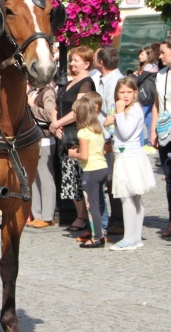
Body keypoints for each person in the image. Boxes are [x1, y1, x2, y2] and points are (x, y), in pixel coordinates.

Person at [105, 77, 156, 250]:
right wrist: (108, 122)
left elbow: (126, 133)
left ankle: (129, 237)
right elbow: (116, 131)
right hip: (125, 156)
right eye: (122, 92)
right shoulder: (125, 110)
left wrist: (119, 113)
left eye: (129, 92)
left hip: (130, 158)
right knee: (133, 198)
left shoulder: (134, 110)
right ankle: (134, 237)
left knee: (128, 197)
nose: (125, 96)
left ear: (135, 93)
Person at [50, 46, 95, 231]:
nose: (72, 63)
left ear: (86, 63)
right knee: (69, 176)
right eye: (71, 60)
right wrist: (55, 124)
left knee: (77, 176)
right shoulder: (69, 82)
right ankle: (79, 215)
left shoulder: (86, 83)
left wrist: (57, 123)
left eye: (76, 60)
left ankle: (83, 217)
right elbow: (55, 104)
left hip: (75, 134)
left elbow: (79, 111)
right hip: (62, 132)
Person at [92, 45, 124, 236]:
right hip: (102, 137)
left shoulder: (116, 82)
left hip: (111, 138)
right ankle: (112, 219)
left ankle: (118, 220)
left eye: (96, 57)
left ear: (101, 62)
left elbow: (115, 113)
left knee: (114, 181)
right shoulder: (102, 79)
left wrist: (110, 139)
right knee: (108, 179)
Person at [68, 96, 108, 248]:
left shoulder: (83, 133)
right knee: (100, 204)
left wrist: (73, 154)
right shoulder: (97, 130)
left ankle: (96, 237)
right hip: (102, 167)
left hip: (90, 171)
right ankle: (101, 232)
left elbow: (84, 156)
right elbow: (100, 150)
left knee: (92, 207)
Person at [27, 80, 57, 228]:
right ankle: (36, 213)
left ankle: (47, 215)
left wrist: (32, 106)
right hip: (32, 140)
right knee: (34, 179)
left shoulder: (47, 92)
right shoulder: (33, 91)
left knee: (45, 178)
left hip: (44, 139)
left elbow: (50, 115)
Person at [151, 37, 171, 237]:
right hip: (165, 131)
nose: (160, 55)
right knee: (169, 177)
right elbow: (157, 103)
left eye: (164, 52)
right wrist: (153, 130)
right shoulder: (161, 75)